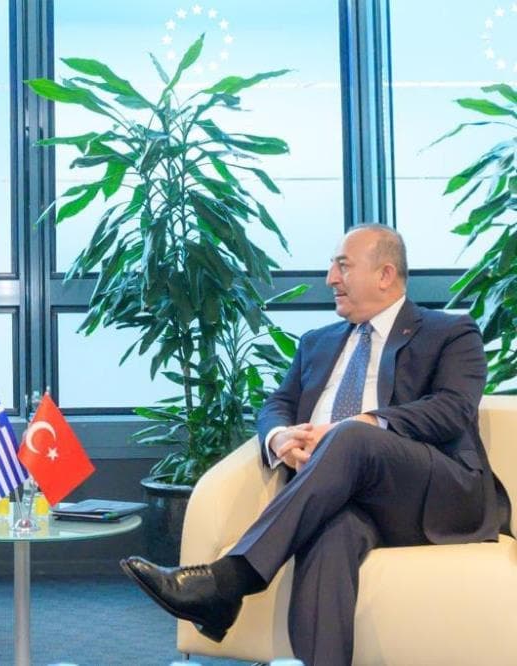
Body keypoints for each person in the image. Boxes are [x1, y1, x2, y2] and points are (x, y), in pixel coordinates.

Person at [120, 224, 511, 666]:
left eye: (343, 265)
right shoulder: (317, 343)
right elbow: (278, 404)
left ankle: (230, 580)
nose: (330, 278)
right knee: (330, 534)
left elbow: (453, 408)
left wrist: (364, 423)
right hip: (338, 495)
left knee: (351, 436)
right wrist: (279, 437)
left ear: (385, 275)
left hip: (431, 493)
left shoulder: (449, 331)